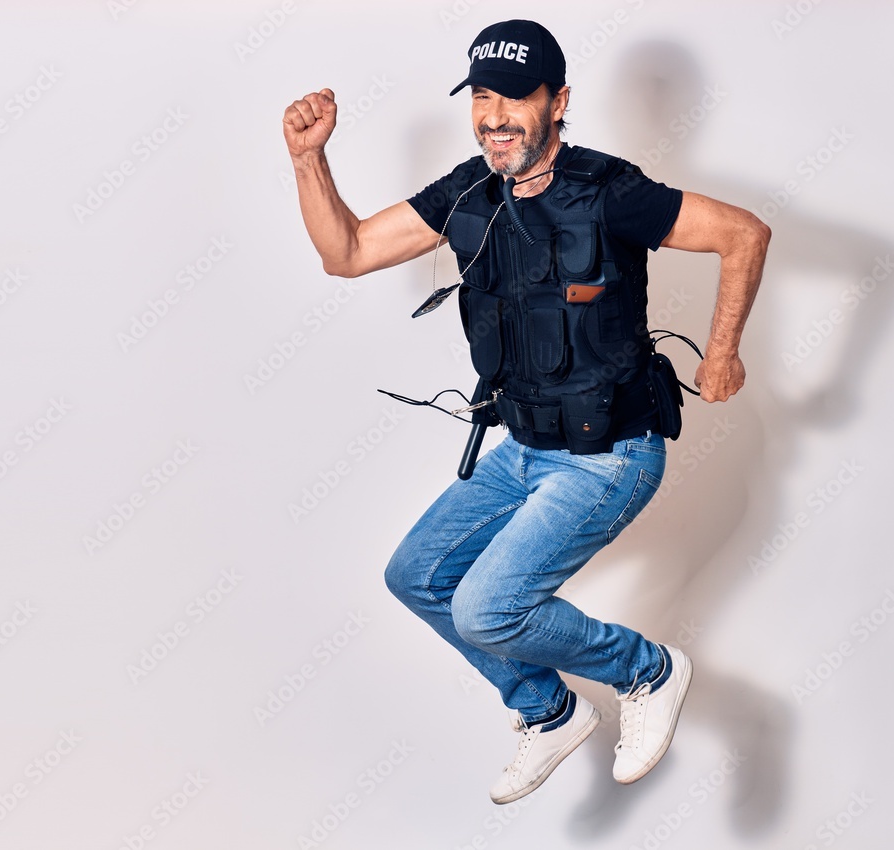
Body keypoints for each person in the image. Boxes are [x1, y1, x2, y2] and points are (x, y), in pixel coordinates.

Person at [282, 19, 770, 804]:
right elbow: (347, 253)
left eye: (515, 97)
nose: (494, 115)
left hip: (612, 453)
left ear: (558, 101)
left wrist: (723, 354)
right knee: (416, 576)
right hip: (523, 447)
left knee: (486, 608)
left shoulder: (612, 191)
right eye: (481, 96)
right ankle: (546, 711)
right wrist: (309, 159)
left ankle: (648, 671)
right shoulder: (466, 194)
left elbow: (744, 233)